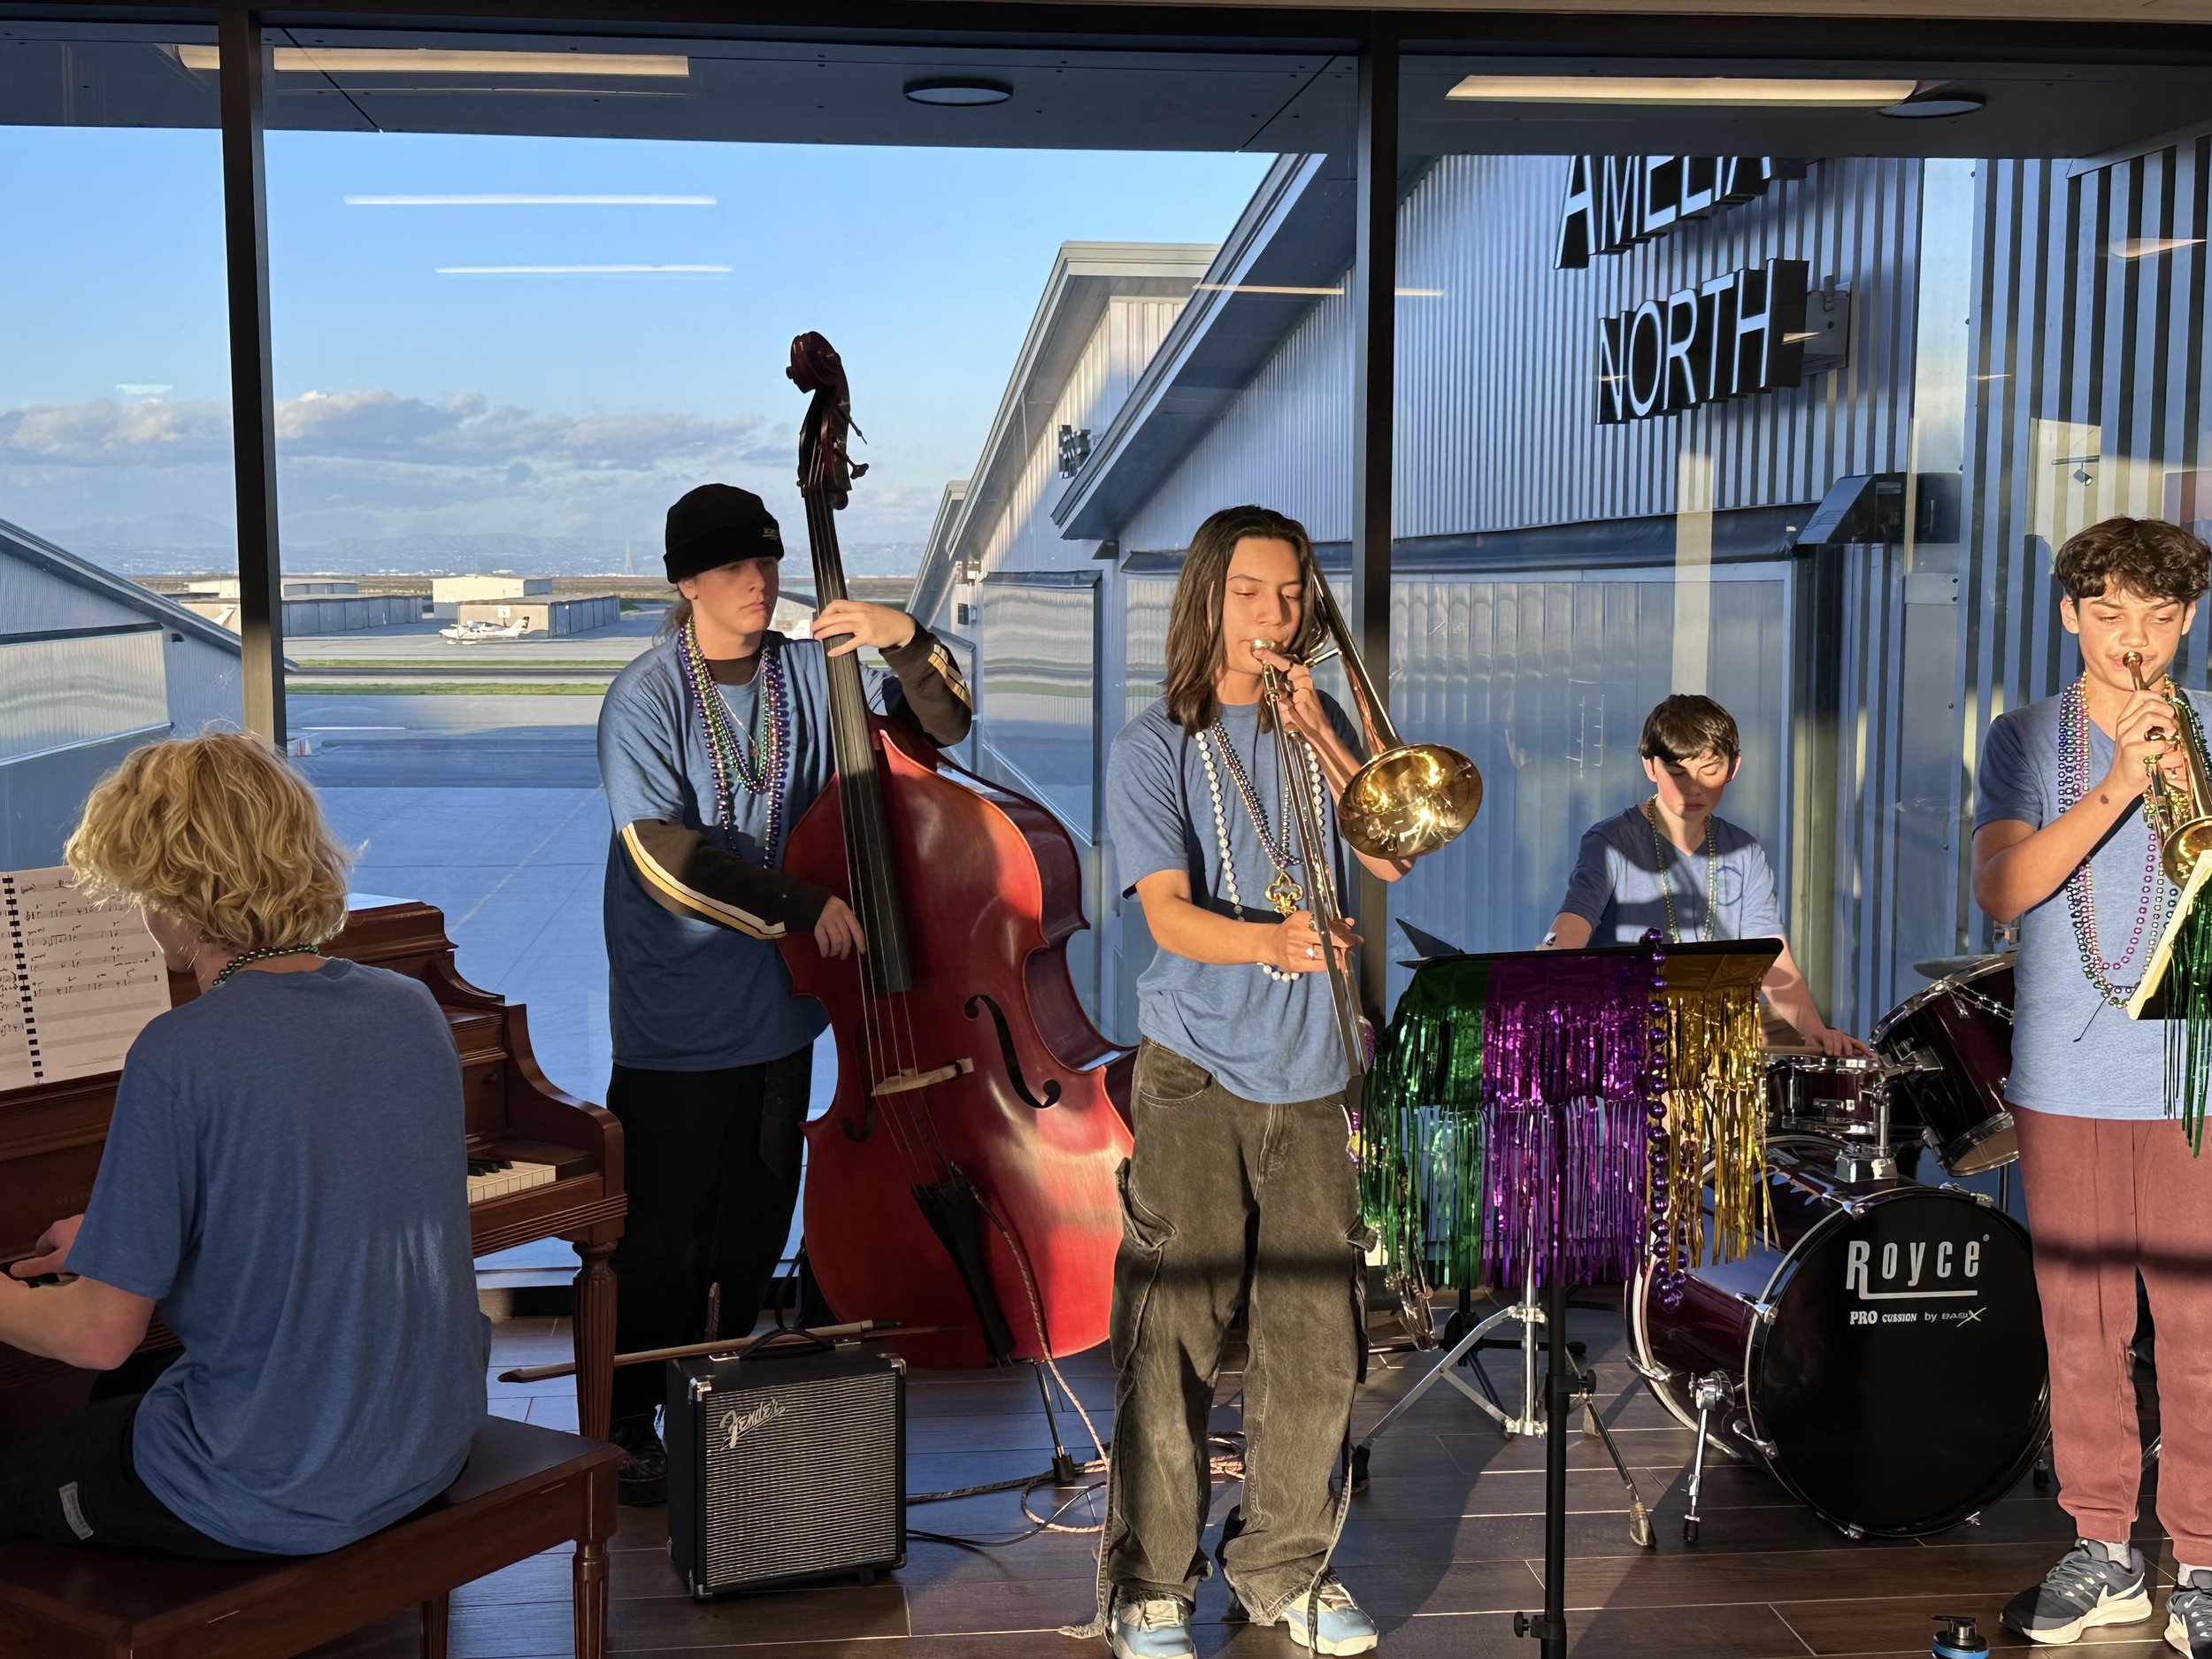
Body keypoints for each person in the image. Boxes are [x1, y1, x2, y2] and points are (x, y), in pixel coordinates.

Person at [0, 732, 486, 1556]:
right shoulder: (410, 1008)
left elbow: (95, 1335)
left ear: (174, 894)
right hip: (424, 1439)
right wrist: (118, 1244)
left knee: (27, 1475)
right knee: (129, 1394)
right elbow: (294, 1212)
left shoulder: (182, 1049)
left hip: (280, 1482)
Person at [595, 481, 971, 1504]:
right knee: (663, 1233)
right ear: (686, 583)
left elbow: (945, 725)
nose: (757, 582)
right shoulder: (645, 697)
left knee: (755, 1220)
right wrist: (803, 904)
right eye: (730, 568)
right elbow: (662, 853)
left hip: (788, 1001)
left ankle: (721, 1402)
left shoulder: (812, 674)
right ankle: (630, 1422)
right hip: (677, 1006)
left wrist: (905, 639)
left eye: (765, 564)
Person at [1093, 503, 1406, 1659]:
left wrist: (1327, 735)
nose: (1274, 613)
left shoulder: (1316, 729)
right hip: (1197, 1068)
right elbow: (1169, 912)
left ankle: (1285, 1568)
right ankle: (1149, 1583)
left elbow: (1389, 851)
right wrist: (1274, 942)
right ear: (1206, 601)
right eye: (1249, 593)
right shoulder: (1154, 743)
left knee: (1317, 1334)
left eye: (1290, 594)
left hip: (1313, 1072)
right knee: (1176, 1327)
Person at [1971, 516, 2212, 1655]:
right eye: (2110, 613)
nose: (2136, 640)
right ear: (2069, 614)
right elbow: (2004, 889)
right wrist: (2121, 781)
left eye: (2161, 617)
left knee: (2200, 1325)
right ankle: (2104, 1549)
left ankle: (2204, 1560)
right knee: (2082, 1323)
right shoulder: (2023, 737)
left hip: (2195, 1078)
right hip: (2067, 1073)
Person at [1542, 693, 1864, 1056]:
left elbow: (1773, 961)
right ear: (1650, 767)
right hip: (1635, 1031)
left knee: (1796, 1047)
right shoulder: (1611, 841)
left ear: (1733, 769)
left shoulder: (1745, 851)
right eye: (1677, 772)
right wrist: (1547, 968)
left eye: (1709, 771)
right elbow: (1571, 926)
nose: (1693, 787)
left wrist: (1814, 1030)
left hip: (1719, 1031)